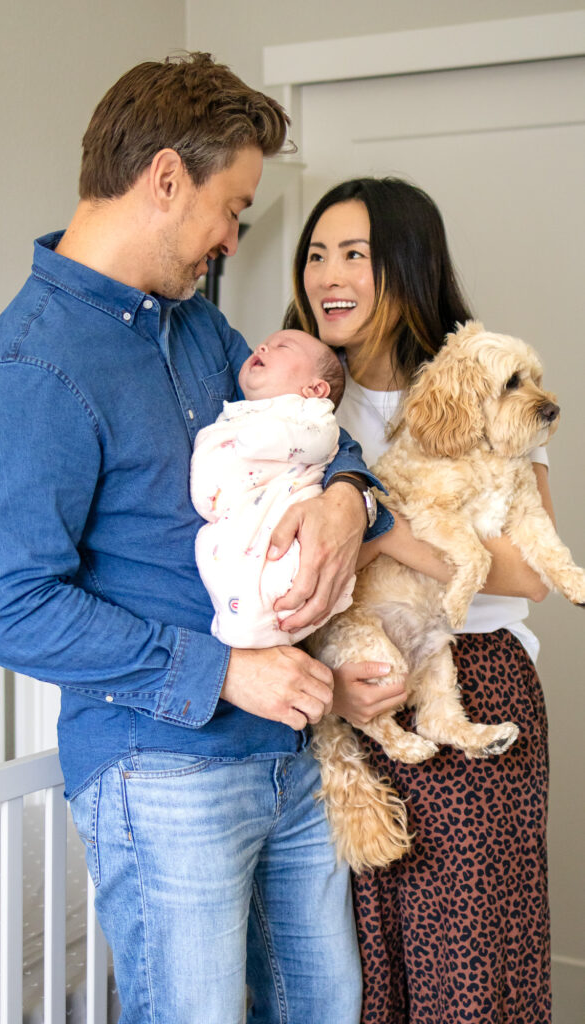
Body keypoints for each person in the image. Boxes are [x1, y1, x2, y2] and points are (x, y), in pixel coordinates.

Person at [0, 56, 404, 1024]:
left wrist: (344, 501)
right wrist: (222, 671)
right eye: (231, 207)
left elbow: (304, 438)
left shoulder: (196, 326)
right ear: (166, 178)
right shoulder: (33, 364)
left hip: (286, 743)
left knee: (326, 1005)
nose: (232, 238)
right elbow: (9, 607)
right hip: (162, 764)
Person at [284, 177, 552, 1024]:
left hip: (473, 684)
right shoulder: (292, 400)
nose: (329, 274)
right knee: (361, 965)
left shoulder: (483, 385)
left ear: (407, 266)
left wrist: (382, 527)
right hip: (347, 691)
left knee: (467, 963)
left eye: (355, 255)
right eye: (317, 254)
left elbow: (528, 569)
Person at [192, 328, 361, 648]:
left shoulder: (308, 414)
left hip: (283, 514)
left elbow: (324, 440)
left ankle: (259, 623)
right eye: (265, 343)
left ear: (315, 388)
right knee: (212, 550)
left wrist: (268, 439)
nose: (263, 346)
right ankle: (239, 622)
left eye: (281, 346)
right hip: (239, 518)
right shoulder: (240, 412)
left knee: (280, 563)